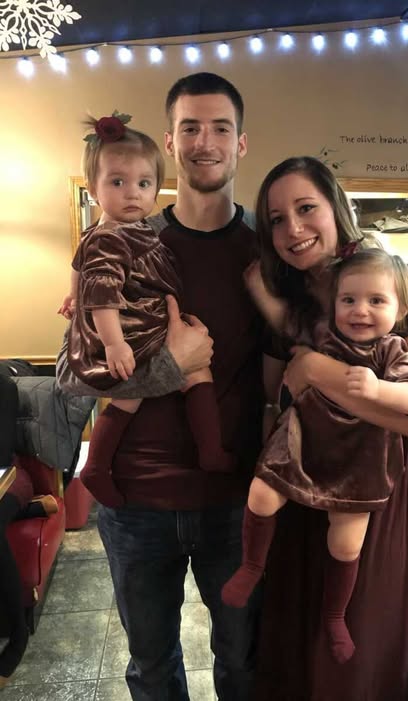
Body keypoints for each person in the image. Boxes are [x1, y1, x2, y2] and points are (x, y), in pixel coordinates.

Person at [56, 73, 279, 701]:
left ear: (240, 143)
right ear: (171, 141)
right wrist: (171, 367)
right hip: (134, 502)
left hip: (233, 501)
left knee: (244, 664)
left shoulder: (268, 254)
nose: (205, 141)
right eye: (190, 128)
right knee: (152, 669)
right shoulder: (126, 241)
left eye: (220, 128)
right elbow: (71, 375)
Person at [248, 156, 408, 701]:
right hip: (299, 490)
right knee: (299, 651)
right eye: (276, 219)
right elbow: (276, 400)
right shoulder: (290, 307)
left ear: (336, 207)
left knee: (359, 652)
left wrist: (320, 371)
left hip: (374, 494)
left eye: (306, 208)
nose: (293, 228)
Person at [222, 246, 408, 665]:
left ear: (400, 309)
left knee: (346, 541)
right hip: (303, 442)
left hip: (359, 459)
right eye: (349, 299)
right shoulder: (324, 334)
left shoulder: (391, 351)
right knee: (261, 496)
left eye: (376, 301)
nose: (360, 311)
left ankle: (335, 616)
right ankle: (251, 566)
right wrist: (258, 288)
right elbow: (285, 321)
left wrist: (380, 389)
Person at [58, 113, 234, 508]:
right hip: (136, 329)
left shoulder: (121, 231)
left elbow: (78, 266)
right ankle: (210, 451)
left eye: (143, 184)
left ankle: (98, 465)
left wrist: (72, 294)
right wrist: (114, 343)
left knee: (131, 398)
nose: (132, 194)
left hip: (144, 322)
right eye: (117, 182)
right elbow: (102, 294)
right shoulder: (112, 238)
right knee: (193, 372)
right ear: (93, 188)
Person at [0, 375, 58, 689]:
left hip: (9, 477)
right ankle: (30, 509)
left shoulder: (3, 387)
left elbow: (1, 452)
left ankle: (18, 635)